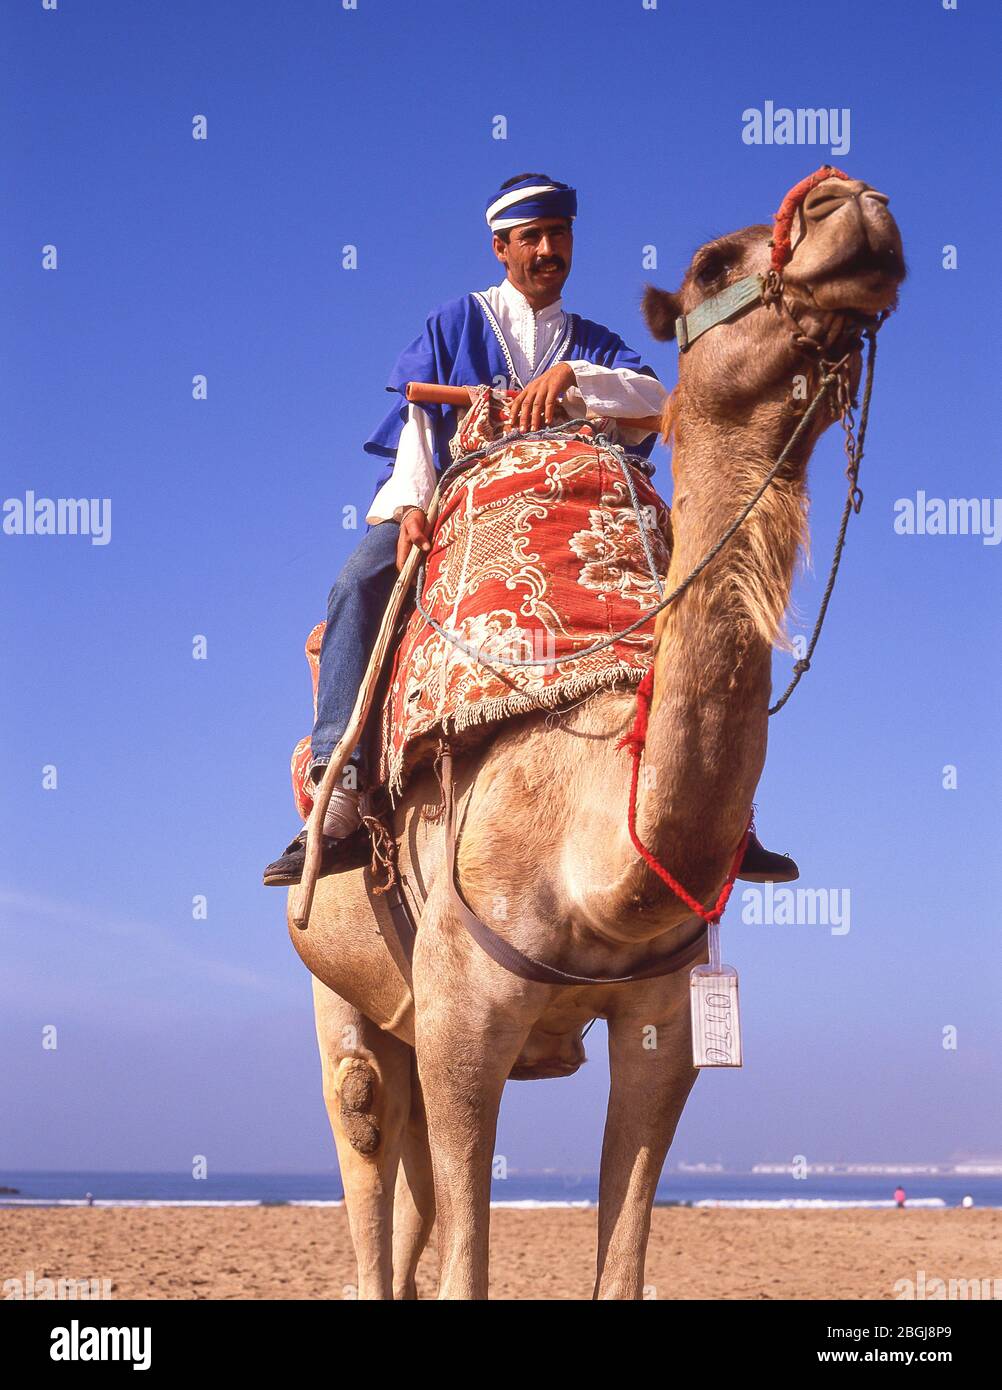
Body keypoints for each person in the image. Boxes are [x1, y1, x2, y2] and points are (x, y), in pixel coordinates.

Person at [264, 175, 798, 887]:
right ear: (501, 248)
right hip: (468, 495)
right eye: (531, 238)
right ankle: (336, 794)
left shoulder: (596, 343)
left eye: (559, 234)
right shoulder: (452, 325)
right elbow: (419, 426)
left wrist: (576, 377)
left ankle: (731, 807)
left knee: (704, 589)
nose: (549, 250)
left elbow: (655, 402)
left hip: (579, 502)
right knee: (359, 582)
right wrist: (410, 507)